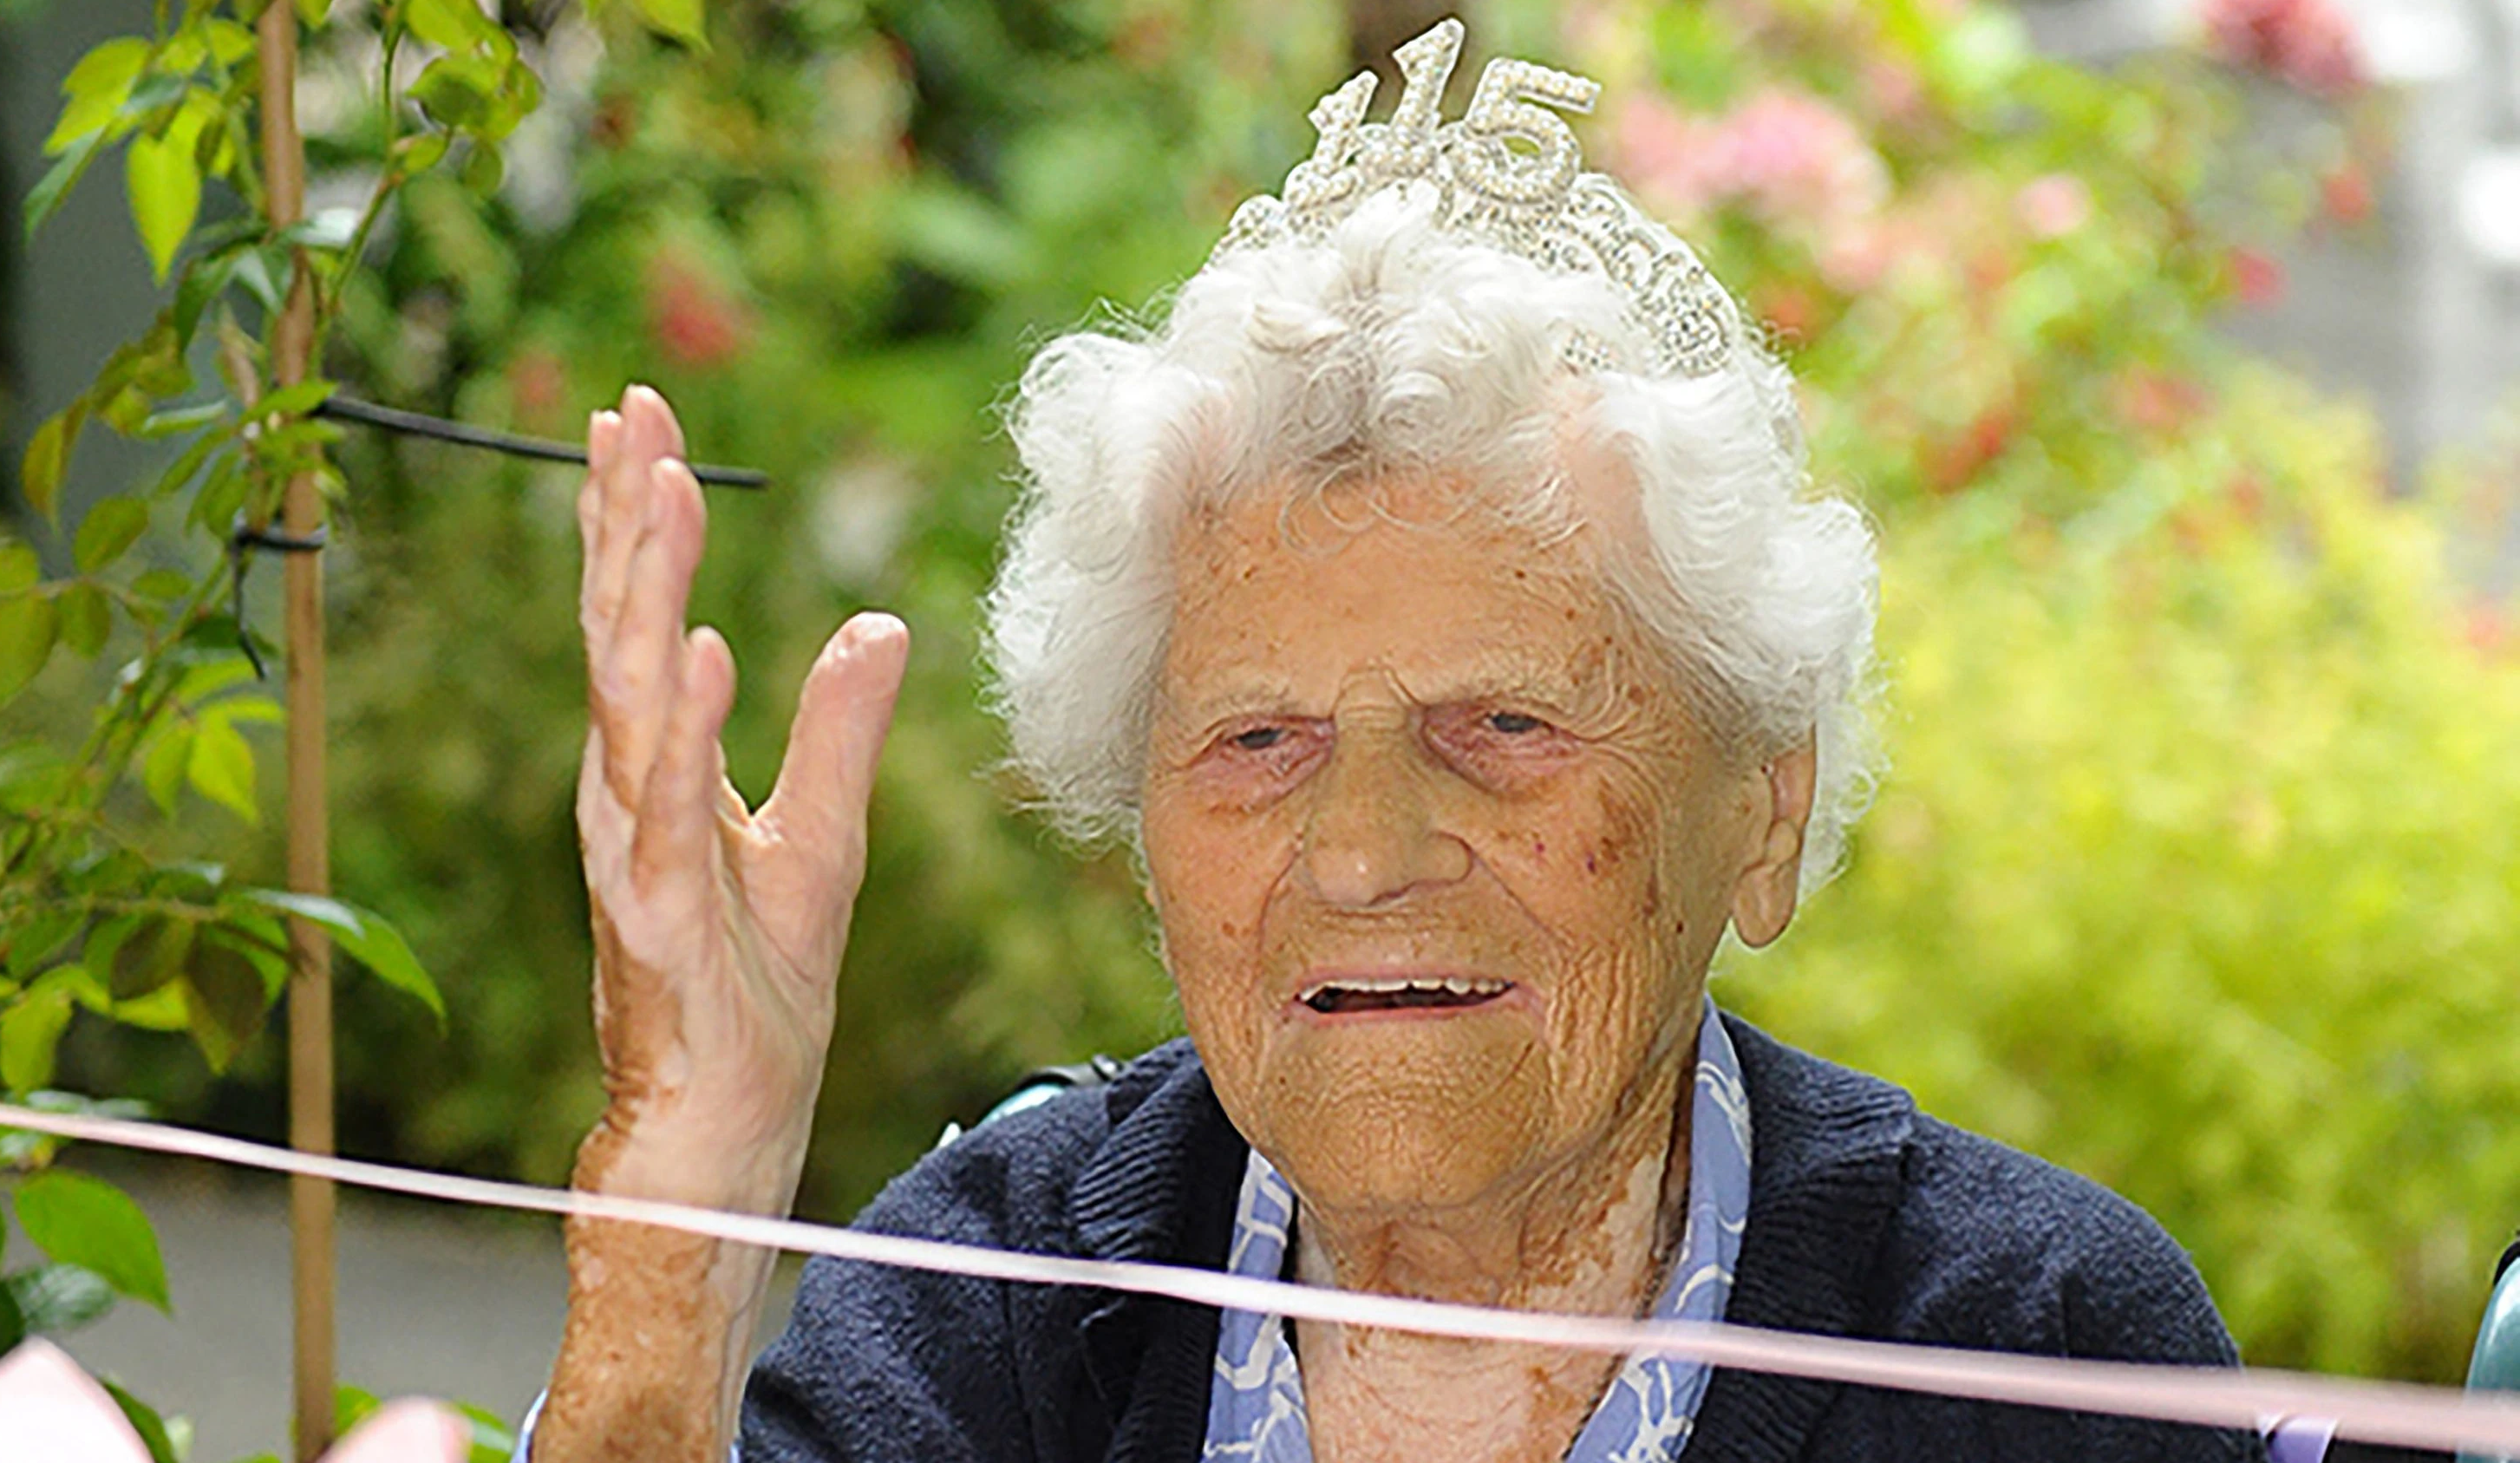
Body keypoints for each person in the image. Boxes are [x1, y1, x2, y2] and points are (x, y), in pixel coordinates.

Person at [526, 21, 2264, 1463]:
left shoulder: (2033, 1359)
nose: (1361, 849)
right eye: (1257, 737)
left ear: (1762, 803)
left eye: (1502, 722)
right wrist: (687, 1198)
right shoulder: (986, 1314)